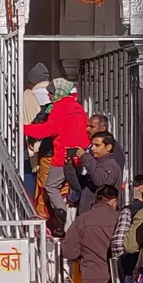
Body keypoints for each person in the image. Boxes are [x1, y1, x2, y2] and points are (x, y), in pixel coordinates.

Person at [22, 77, 89, 226]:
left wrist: (24, 128)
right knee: (75, 188)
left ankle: (62, 216)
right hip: (78, 155)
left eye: (51, 93)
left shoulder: (59, 107)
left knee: (51, 186)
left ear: (58, 93)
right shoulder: (78, 107)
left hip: (61, 155)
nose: (49, 96)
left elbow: (48, 129)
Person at [64, 130, 124, 216]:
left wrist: (85, 157)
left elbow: (102, 181)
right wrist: (69, 165)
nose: (92, 148)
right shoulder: (94, 164)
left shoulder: (111, 165)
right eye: (92, 145)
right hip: (87, 215)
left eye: (97, 145)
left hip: (103, 217)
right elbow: (78, 185)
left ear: (108, 147)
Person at [21, 62, 51, 197]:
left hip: (32, 143)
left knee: (29, 177)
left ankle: (31, 209)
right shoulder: (55, 94)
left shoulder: (27, 96)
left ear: (31, 81)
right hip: (52, 148)